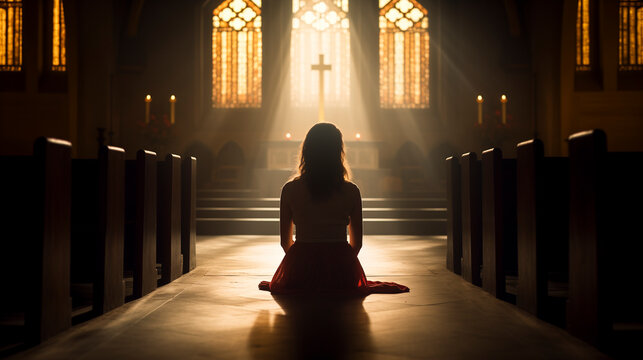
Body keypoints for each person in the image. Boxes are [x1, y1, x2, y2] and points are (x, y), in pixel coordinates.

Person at [259, 123, 409, 294]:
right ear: (338, 152)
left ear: (306, 151)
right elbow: (357, 243)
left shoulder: (289, 190)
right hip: (341, 265)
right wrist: (341, 266)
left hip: (301, 265)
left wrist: (299, 264)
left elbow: (285, 243)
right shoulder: (352, 191)